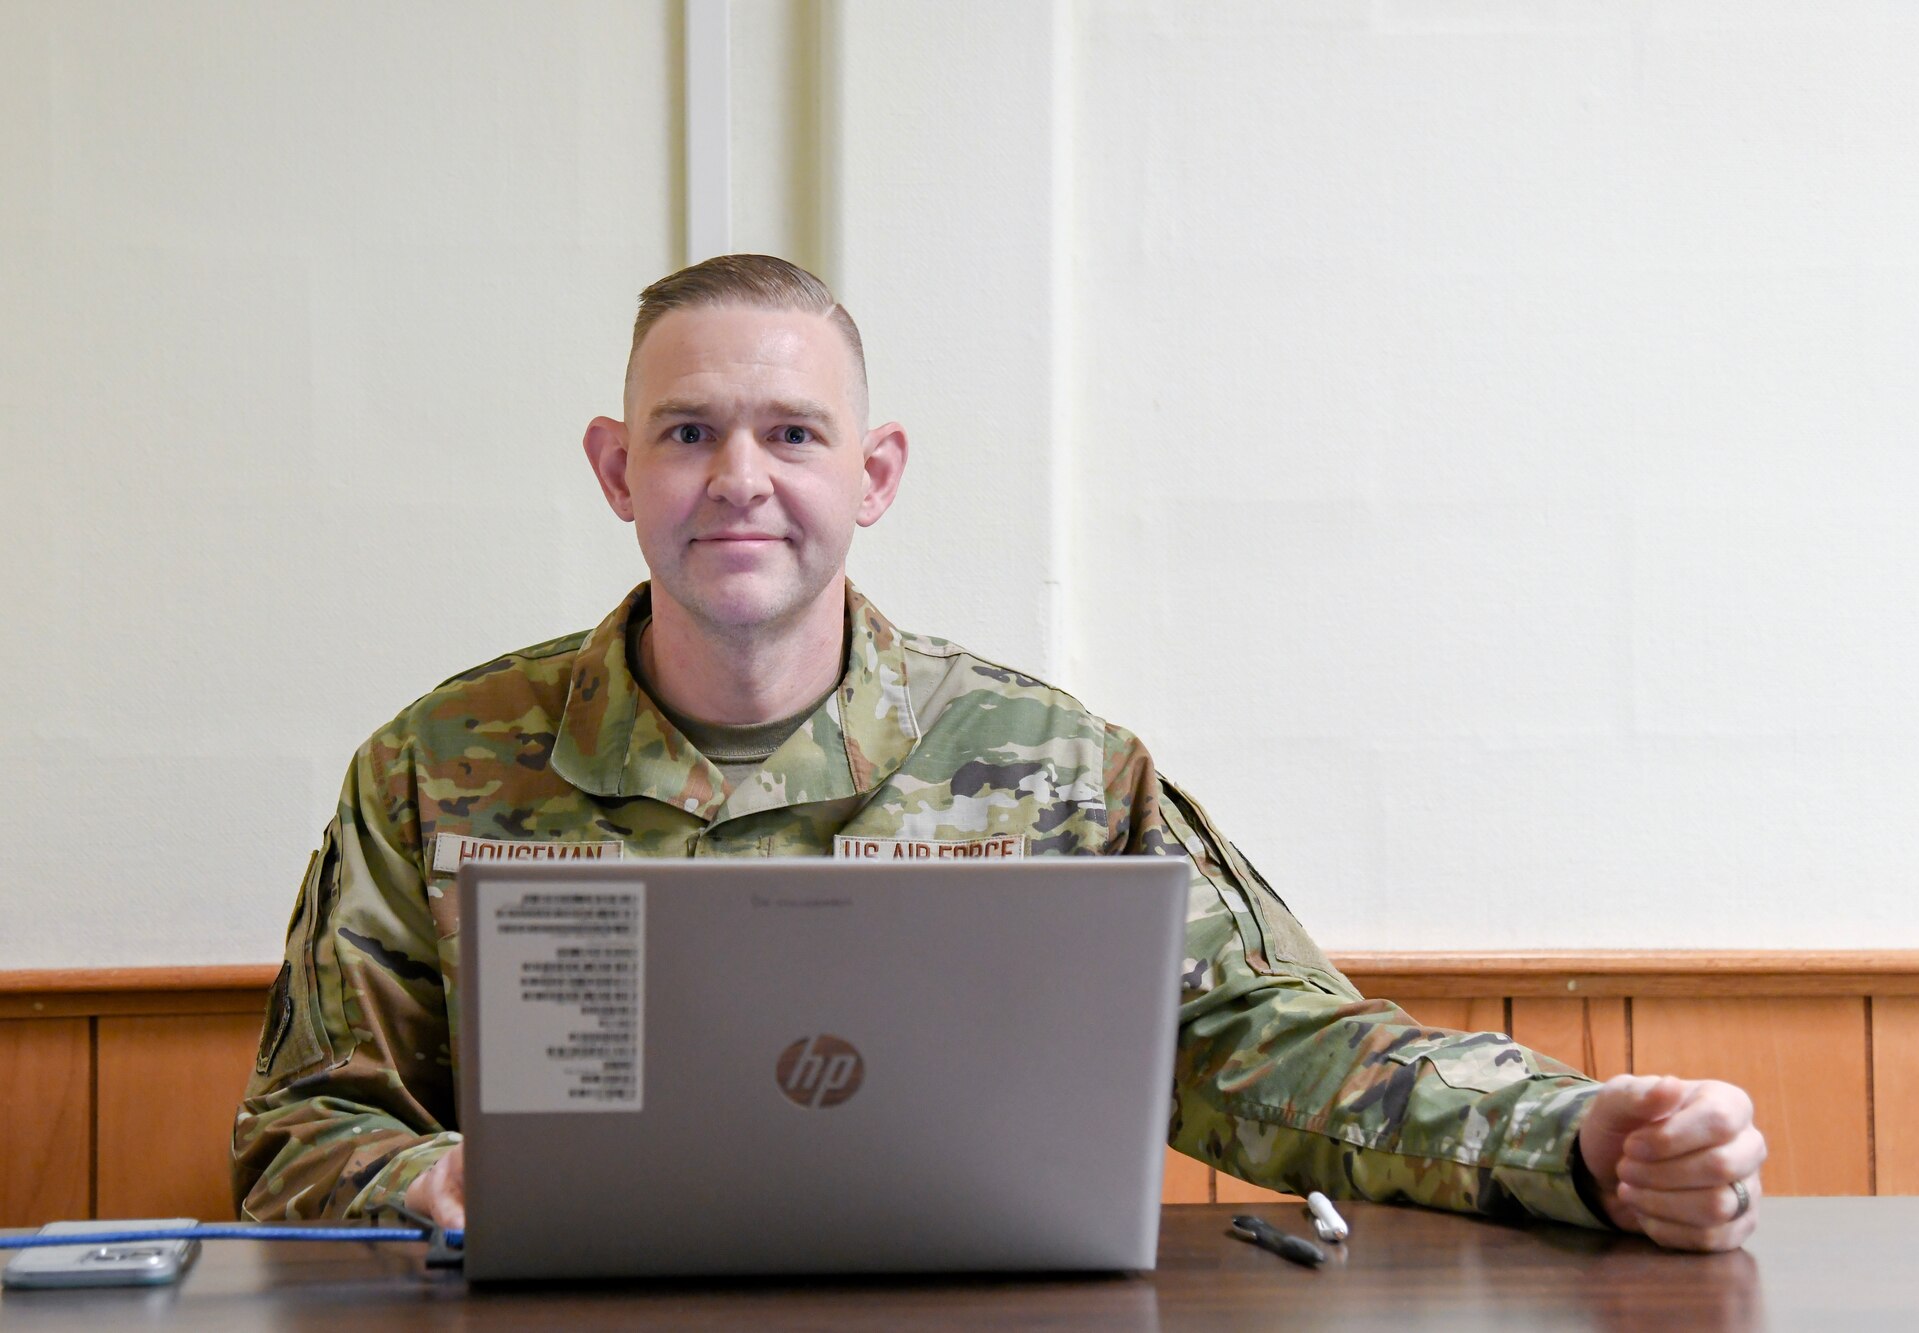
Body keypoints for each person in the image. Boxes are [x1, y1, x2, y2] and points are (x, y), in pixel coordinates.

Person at [232, 255, 1767, 1252]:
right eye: (688, 433)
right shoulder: (434, 768)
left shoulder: (1049, 766)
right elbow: (306, 1123)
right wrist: (415, 1180)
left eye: (795, 433)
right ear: (614, 467)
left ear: (875, 474)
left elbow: (1275, 1043)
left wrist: (1570, 1133)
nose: (740, 480)